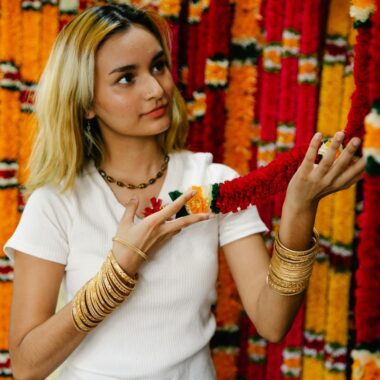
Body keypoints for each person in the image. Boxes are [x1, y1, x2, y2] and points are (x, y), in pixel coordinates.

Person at [3, 4, 365, 380]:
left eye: (158, 66)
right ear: (86, 102)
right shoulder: (57, 202)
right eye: (127, 78)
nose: (156, 89)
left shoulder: (213, 181)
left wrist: (299, 209)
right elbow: (28, 366)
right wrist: (119, 272)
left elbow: (272, 322)